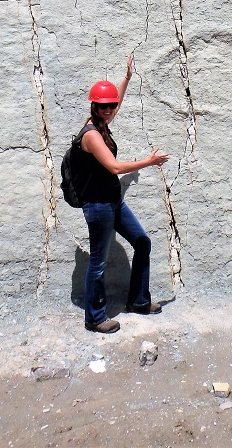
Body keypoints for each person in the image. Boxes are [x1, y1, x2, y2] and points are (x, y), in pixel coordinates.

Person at [77, 55, 169, 334]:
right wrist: (148, 162)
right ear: (94, 105)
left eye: (111, 105)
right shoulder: (91, 134)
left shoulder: (102, 122)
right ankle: (94, 318)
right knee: (98, 262)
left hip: (113, 202)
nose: (108, 109)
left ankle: (139, 301)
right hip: (98, 206)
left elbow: (117, 105)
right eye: (103, 105)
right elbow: (114, 166)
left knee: (142, 242)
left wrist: (126, 78)